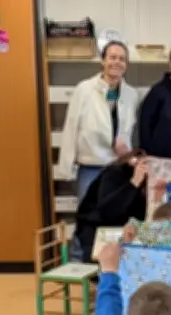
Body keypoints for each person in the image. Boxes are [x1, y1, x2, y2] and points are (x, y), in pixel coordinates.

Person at [57, 41, 140, 200]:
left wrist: (131, 157)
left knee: (115, 217)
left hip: (119, 167)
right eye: (112, 57)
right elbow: (71, 126)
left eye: (122, 59)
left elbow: (130, 130)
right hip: (91, 167)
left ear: (126, 65)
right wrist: (66, 167)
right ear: (103, 61)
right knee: (88, 216)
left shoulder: (131, 94)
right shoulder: (84, 89)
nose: (117, 62)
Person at [72, 150, 148, 263]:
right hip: (97, 228)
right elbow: (108, 211)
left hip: (125, 229)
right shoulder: (114, 173)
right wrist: (134, 183)